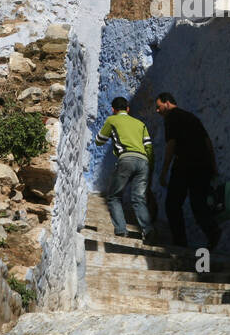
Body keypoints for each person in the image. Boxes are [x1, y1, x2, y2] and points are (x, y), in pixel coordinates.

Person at [154, 92, 222, 250]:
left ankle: (180, 243)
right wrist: (213, 166)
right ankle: (212, 231)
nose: (157, 111)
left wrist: (164, 171)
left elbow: (171, 144)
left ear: (167, 103)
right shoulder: (192, 117)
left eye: (158, 107)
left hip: (184, 165)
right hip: (203, 166)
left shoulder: (171, 117)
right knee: (198, 205)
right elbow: (207, 142)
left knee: (172, 204)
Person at [95, 97, 155, 241]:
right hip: (144, 161)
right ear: (128, 109)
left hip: (126, 159)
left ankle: (121, 230)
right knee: (138, 198)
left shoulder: (112, 120)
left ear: (113, 110)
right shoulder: (140, 124)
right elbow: (149, 147)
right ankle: (148, 230)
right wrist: (150, 167)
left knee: (114, 196)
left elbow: (99, 141)